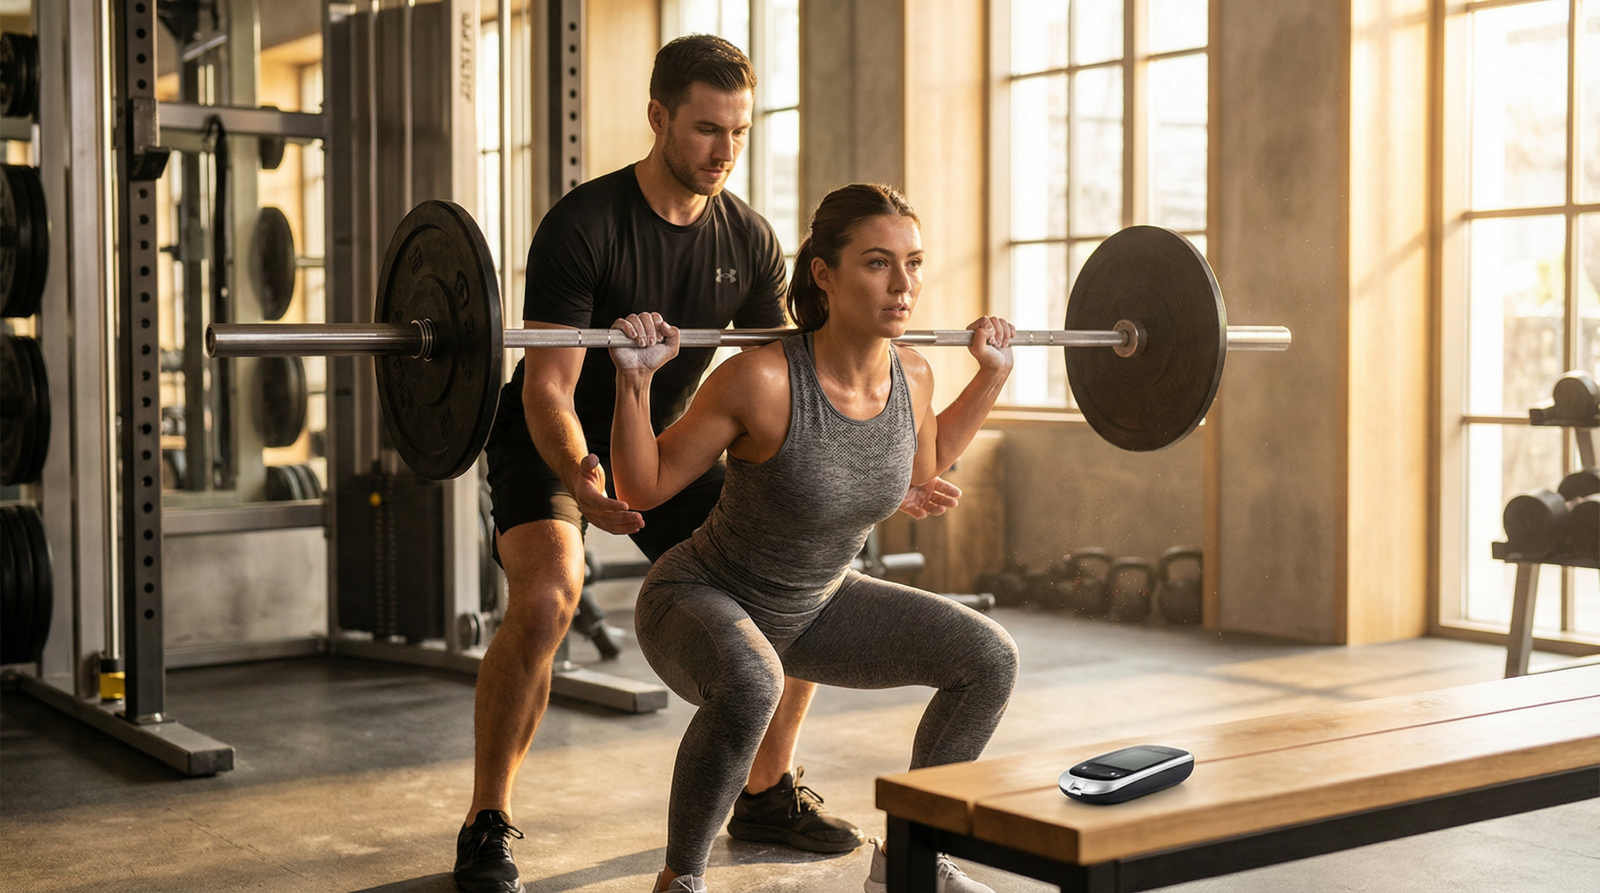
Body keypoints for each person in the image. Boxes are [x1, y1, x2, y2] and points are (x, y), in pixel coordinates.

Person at [456, 36, 958, 893]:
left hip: (671, 435)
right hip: (556, 438)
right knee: (547, 594)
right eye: (704, 130)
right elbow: (549, 382)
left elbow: (788, 377)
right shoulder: (586, 224)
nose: (724, 151)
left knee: (795, 563)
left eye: (739, 132)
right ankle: (488, 816)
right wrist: (584, 474)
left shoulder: (750, 240)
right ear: (658, 118)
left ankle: (764, 791)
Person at [608, 183, 1021, 893]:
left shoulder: (913, 372)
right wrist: (635, 384)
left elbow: (922, 462)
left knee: (988, 657)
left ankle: (910, 863)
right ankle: (680, 880)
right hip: (700, 597)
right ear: (824, 274)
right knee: (753, 680)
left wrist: (993, 375)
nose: (903, 285)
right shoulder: (763, 378)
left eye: (914, 263)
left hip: (818, 606)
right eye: (877, 264)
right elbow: (643, 488)